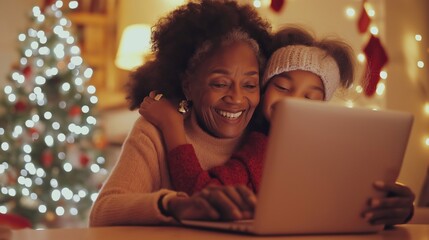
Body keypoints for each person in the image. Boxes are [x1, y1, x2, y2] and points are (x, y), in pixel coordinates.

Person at [139, 26, 415, 227]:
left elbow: (357, 205)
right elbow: (201, 194)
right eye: (283, 87)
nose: (293, 102)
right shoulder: (261, 147)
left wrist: (397, 209)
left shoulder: (337, 151)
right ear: (262, 89)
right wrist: (173, 128)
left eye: (310, 97)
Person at [89, 0, 272, 226]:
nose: (236, 98)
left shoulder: (267, 139)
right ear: (188, 84)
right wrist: (173, 205)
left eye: (249, 85)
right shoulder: (153, 131)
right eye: (220, 84)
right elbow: (102, 213)